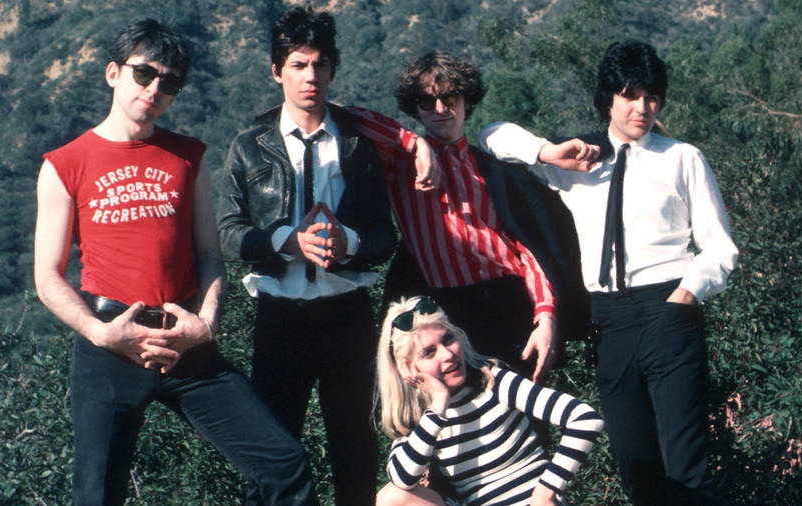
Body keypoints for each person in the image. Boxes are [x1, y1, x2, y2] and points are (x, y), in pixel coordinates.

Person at [33, 18, 317, 506]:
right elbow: (47, 276)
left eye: (170, 82)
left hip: (185, 338)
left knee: (283, 465)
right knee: (96, 495)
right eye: (144, 74)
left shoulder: (188, 156)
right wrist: (100, 333)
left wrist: (205, 324)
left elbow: (209, 255)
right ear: (113, 73)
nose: (155, 89)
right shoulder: (64, 163)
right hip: (109, 342)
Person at [479, 41, 739, 505]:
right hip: (609, 322)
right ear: (608, 99)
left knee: (687, 464)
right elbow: (491, 135)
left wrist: (687, 294)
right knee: (635, 463)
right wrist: (548, 152)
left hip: (669, 311)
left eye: (652, 97)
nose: (643, 108)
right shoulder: (578, 161)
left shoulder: (682, 158)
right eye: (630, 96)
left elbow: (719, 248)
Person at [216, 7, 397, 505]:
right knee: (273, 452)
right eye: (298, 65)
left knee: (355, 448)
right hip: (281, 317)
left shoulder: (358, 144)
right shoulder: (250, 145)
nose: (310, 77)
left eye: (319, 65)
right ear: (277, 72)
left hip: (348, 315)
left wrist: (352, 244)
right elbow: (228, 234)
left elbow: (386, 235)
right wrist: (284, 242)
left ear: (333, 70)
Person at [349, 51, 599, 384]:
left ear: (467, 101)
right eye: (427, 101)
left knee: (525, 422)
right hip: (447, 312)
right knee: (459, 422)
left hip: (511, 302)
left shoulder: (491, 167)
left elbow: (523, 250)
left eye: (450, 97)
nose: (440, 109)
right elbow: (345, 116)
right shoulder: (401, 164)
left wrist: (546, 313)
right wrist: (414, 143)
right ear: (415, 108)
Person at [374, 296, 604, 505]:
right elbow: (402, 480)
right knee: (391, 498)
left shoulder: (493, 382)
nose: (448, 355)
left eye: (448, 339)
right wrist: (439, 403)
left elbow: (584, 419)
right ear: (407, 369)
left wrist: (547, 490)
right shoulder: (423, 420)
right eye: (429, 352)